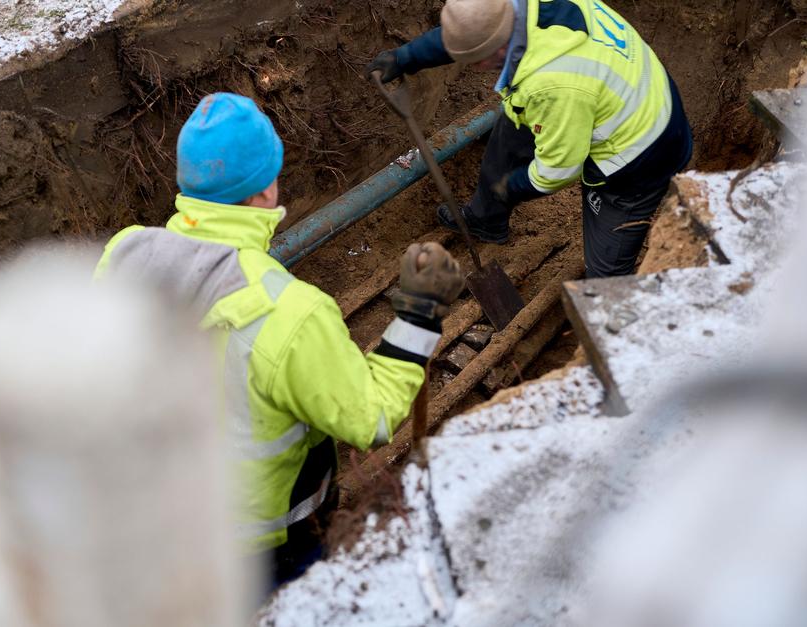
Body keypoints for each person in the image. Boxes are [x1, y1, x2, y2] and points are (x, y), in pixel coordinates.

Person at [94, 93, 464, 585]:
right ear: (266, 191)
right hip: (262, 545)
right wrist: (418, 317)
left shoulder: (125, 252)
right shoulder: (288, 311)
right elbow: (369, 419)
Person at [367, 0, 693, 277]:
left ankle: (609, 330)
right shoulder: (513, 10)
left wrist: (511, 187)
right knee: (509, 134)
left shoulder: (553, 85)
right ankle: (485, 220)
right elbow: (471, 31)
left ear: (490, 53)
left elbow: (559, 170)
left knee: (605, 268)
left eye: (473, 61)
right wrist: (406, 57)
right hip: (625, 89)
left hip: (641, 154)